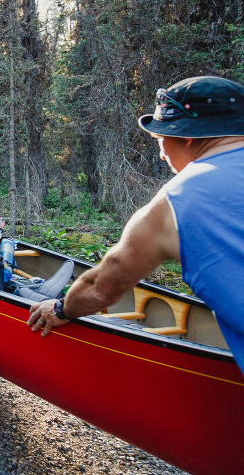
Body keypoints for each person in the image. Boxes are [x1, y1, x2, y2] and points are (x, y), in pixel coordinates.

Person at [27, 75, 244, 373]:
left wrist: (62, 308)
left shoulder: (177, 199)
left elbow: (102, 290)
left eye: (160, 139)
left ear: (188, 137)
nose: (161, 152)